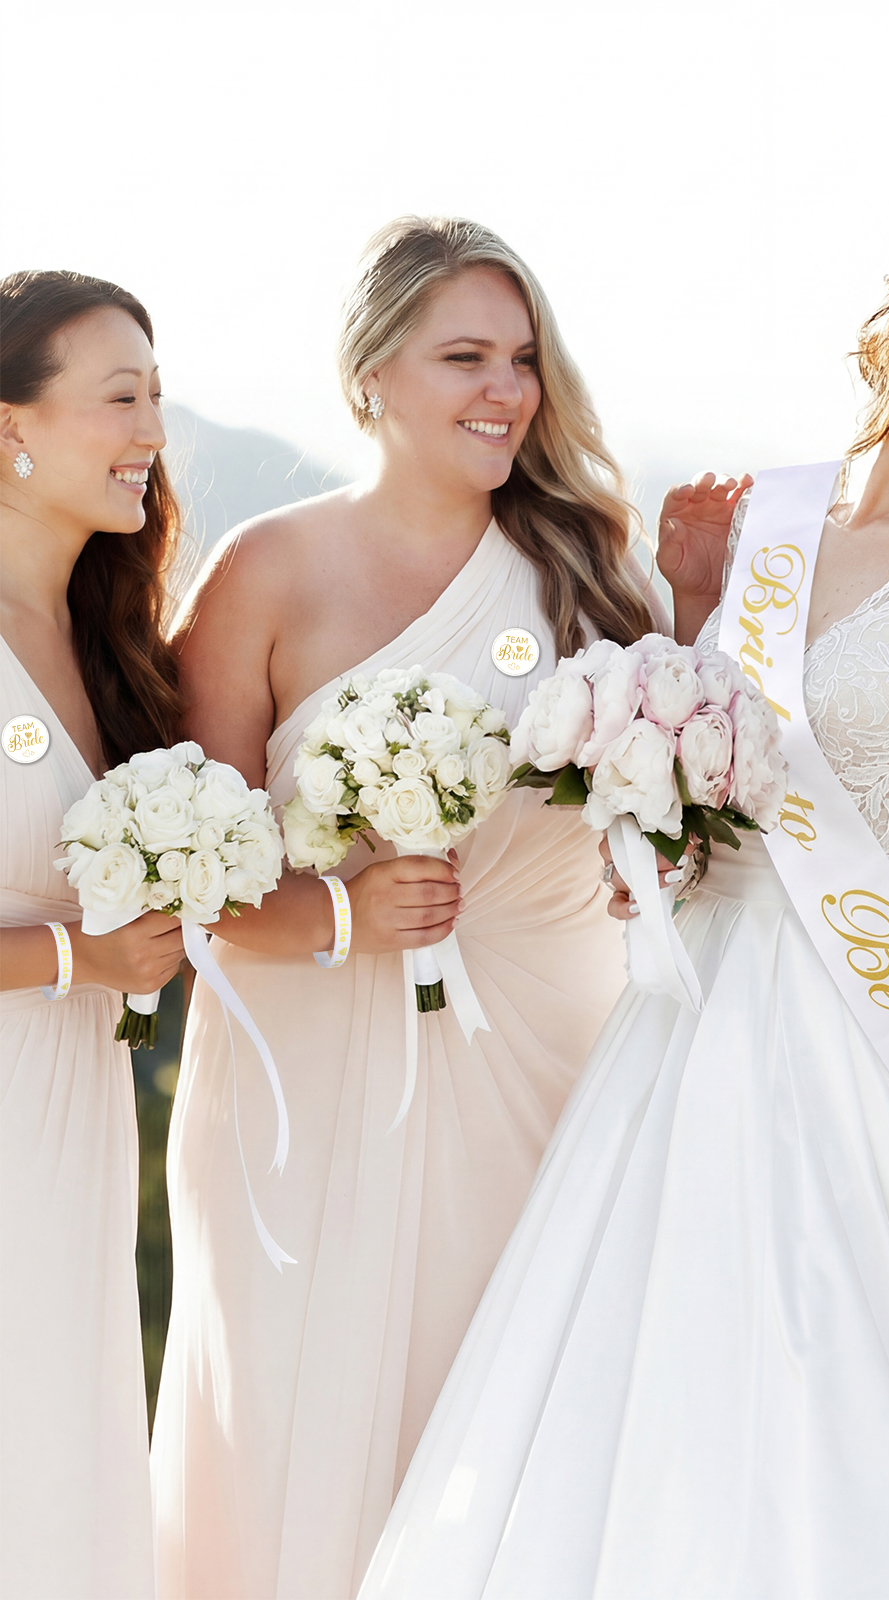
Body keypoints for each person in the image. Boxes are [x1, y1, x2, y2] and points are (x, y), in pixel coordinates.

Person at [359, 162, 889, 1600]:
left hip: (881, 1060)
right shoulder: (779, 521)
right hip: (687, 1036)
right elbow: (725, 787)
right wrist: (682, 654)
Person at [151, 217, 662, 1599]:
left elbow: (669, 815)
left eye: (522, 358)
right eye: (464, 357)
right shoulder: (266, 570)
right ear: (371, 372)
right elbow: (189, 880)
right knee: (294, 1432)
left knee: (503, 1422)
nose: (506, 390)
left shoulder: (593, 576)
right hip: (305, 1085)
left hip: (547, 1061)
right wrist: (344, 917)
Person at [0, 270, 188, 1599]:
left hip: (73, 1110)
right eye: (120, 397)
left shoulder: (108, 636)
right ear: (10, 425)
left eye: (159, 396)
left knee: (59, 1463)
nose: (153, 432)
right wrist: (83, 960)